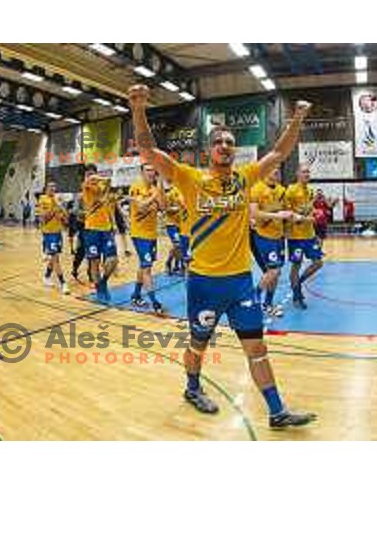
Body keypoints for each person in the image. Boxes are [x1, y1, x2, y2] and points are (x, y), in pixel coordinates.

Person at [129, 83, 316, 429]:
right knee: (198, 345)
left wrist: (298, 120)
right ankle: (192, 387)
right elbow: (149, 152)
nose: (225, 146)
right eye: (218, 142)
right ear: (208, 149)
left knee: (256, 348)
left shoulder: (245, 179)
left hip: (240, 284)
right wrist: (138, 107)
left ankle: (276, 411)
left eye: (230, 142)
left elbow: (278, 154)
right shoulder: (190, 179)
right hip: (204, 284)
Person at [249, 167, 291, 318]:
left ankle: (267, 304)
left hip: (279, 237)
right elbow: (254, 213)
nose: (276, 171)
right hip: (263, 235)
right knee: (273, 271)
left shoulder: (281, 190)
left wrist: (290, 220)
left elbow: (285, 211)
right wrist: (276, 215)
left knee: (275, 273)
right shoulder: (256, 189)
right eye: (272, 169)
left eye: (278, 169)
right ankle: (254, 297)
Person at [285, 165, 324, 309]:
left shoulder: (310, 191)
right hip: (296, 236)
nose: (307, 174)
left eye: (308, 171)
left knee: (318, 263)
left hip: (310, 235)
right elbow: (288, 213)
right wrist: (307, 219)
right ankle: (296, 296)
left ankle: (298, 284)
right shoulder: (291, 190)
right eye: (304, 171)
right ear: (297, 173)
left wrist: (316, 212)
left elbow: (308, 209)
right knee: (296, 266)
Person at [129, 164, 166, 313]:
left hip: (151, 235)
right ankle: (155, 302)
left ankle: (136, 295)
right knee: (147, 269)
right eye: (148, 170)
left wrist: (161, 184)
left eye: (153, 170)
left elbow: (163, 207)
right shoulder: (136, 187)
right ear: (142, 172)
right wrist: (154, 196)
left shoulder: (155, 189)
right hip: (139, 234)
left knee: (143, 266)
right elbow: (140, 207)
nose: (152, 173)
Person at [82, 164, 118, 303]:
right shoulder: (86, 186)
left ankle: (103, 281)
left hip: (106, 228)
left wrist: (113, 225)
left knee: (112, 260)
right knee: (94, 262)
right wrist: (96, 177)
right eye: (89, 174)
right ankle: (99, 289)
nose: (91, 177)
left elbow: (108, 183)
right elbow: (103, 180)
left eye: (93, 173)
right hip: (91, 229)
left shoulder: (102, 187)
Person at [36, 181, 70, 295]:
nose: (53, 188)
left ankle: (46, 276)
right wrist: (54, 208)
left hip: (58, 232)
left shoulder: (57, 200)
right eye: (51, 187)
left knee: (53, 257)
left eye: (54, 186)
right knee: (55, 258)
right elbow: (43, 219)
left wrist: (63, 211)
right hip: (49, 233)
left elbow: (66, 218)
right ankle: (63, 283)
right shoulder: (43, 200)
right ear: (46, 189)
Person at [163, 182, 184, 276]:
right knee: (177, 244)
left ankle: (174, 265)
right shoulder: (170, 193)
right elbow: (166, 209)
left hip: (182, 224)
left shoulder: (184, 192)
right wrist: (178, 209)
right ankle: (178, 265)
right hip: (171, 224)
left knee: (179, 245)